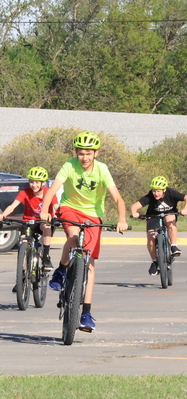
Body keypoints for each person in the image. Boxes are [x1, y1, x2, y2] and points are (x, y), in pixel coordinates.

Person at [42, 131, 128, 333]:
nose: (85, 157)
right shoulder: (69, 165)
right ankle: (61, 271)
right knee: (73, 237)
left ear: (96, 153)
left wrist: (122, 219)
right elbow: (52, 190)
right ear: (76, 153)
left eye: (89, 153)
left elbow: (117, 198)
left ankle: (86, 313)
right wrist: (45, 210)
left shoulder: (102, 170)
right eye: (81, 153)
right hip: (70, 209)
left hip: (93, 216)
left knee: (89, 264)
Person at [0, 166, 58, 269]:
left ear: (44, 182)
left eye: (37, 182)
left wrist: (59, 215)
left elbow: (56, 206)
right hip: (28, 222)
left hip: (42, 222)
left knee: (46, 226)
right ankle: (23, 275)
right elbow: (12, 206)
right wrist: (3, 215)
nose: (34, 185)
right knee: (23, 243)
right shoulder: (24, 193)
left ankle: (46, 255)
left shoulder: (49, 193)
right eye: (31, 182)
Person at [129, 175, 187, 275]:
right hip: (153, 217)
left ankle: (173, 246)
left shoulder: (171, 193)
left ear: (164, 190)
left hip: (169, 214)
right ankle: (155, 262)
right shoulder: (150, 196)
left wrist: (185, 209)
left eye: (158, 191)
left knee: (170, 219)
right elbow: (134, 206)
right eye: (154, 191)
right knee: (151, 238)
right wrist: (134, 212)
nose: (156, 193)